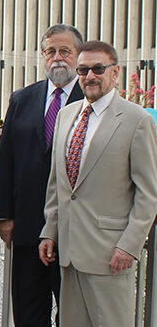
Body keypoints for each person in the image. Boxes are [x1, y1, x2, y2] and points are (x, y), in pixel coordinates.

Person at [39, 41, 157, 327]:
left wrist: (129, 245)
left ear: (115, 73)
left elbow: (148, 194)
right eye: (83, 69)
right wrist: (49, 231)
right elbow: (58, 183)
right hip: (69, 253)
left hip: (111, 255)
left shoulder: (136, 120)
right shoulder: (67, 115)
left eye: (98, 68)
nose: (90, 76)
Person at [0, 24, 84, 326]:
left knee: (71, 311)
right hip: (27, 225)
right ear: (43, 56)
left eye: (65, 51)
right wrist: (4, 215)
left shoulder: (91, 100)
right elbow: (5, 160)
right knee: (28, 309)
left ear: (78, 55)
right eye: (50, 52)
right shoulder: (22, 99)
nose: (57, 58)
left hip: (76, 229)